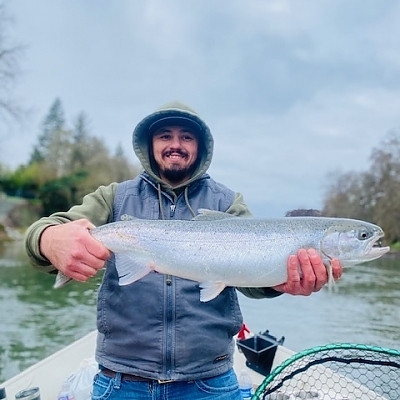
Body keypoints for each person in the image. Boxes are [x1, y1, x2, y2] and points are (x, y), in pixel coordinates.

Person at [24, 101, 342, 400]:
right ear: (149, 146)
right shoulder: (113, 198)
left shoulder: (228, 204)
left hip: (210, 381)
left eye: (186, 137)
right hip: (121, 380)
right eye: (165, 136)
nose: (175, 144)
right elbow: (45, 232)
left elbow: (251, 280)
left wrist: (278, 282)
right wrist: (49, 240)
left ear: (200, 148)